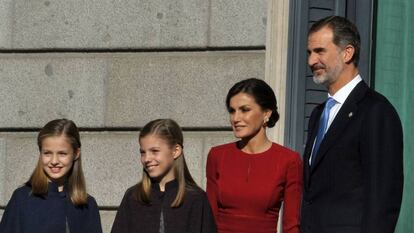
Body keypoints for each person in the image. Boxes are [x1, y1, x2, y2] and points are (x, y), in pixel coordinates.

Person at [301, 15, 404, 233]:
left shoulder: (375, 111)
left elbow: (383, 199)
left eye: (320, 51)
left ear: (347, 52)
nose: (311, 61)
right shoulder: (318, 114)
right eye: (309, 53)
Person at [206, 78, 303, 233]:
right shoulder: (217, 156)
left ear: (266, 113)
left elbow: (291, 226)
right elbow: (208, 219)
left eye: (245, 110)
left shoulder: (289, 160)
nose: (235, 118)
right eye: (232, 111)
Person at [111, 119, 217, 233]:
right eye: (143, 152)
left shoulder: (196, 199)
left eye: (155, 151)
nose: (147, 159)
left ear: (175, 151)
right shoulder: (133, 197)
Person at [0, 119, 103, 233]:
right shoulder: (22, 199)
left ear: (76, 154)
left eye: (62, 153)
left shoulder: (87, 205)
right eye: (47, 153)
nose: (54, 161)